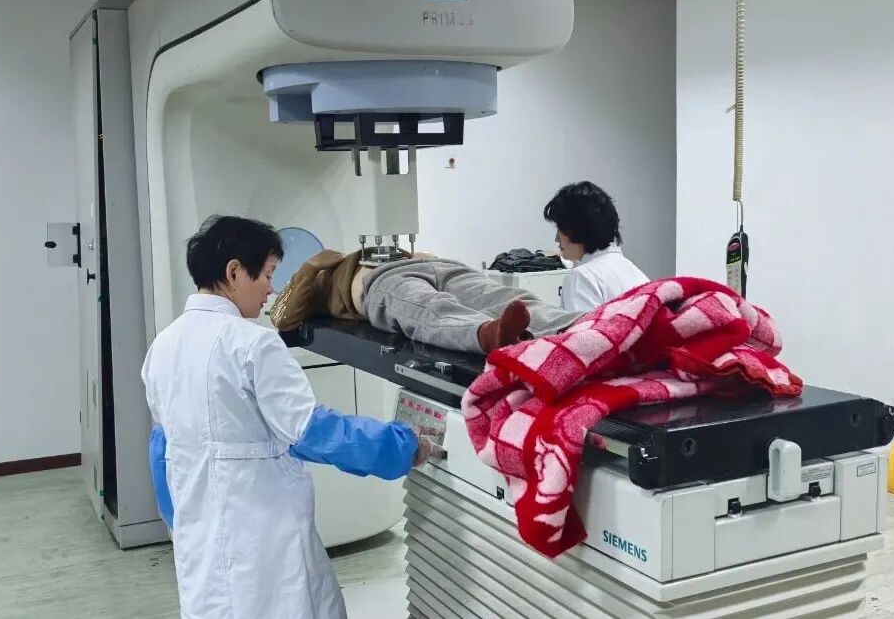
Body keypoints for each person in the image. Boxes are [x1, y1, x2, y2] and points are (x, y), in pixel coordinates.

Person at [141, 215, 436, 619]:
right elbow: (314, 432)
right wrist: (403, 446)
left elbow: (161, 453)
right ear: (234, 272)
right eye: (267, 274)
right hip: (265, 542)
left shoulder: (163, 345)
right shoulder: (252, 344)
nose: (271, 289)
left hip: (201, 543)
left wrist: (191, 523)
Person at [270, 248, 581, 354]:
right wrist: (310, 267)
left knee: (503, 296)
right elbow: (281, 317)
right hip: (382, 282)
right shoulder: (310, 280)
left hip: (433, 264)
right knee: (427, 309)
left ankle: (580, 325)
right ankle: (488, 333)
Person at [544, 181, 649, 312]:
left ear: (577, 230)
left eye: (560, 229)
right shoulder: (635, 273)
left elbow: (584, 326)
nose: (557, 239)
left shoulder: (581, 278)